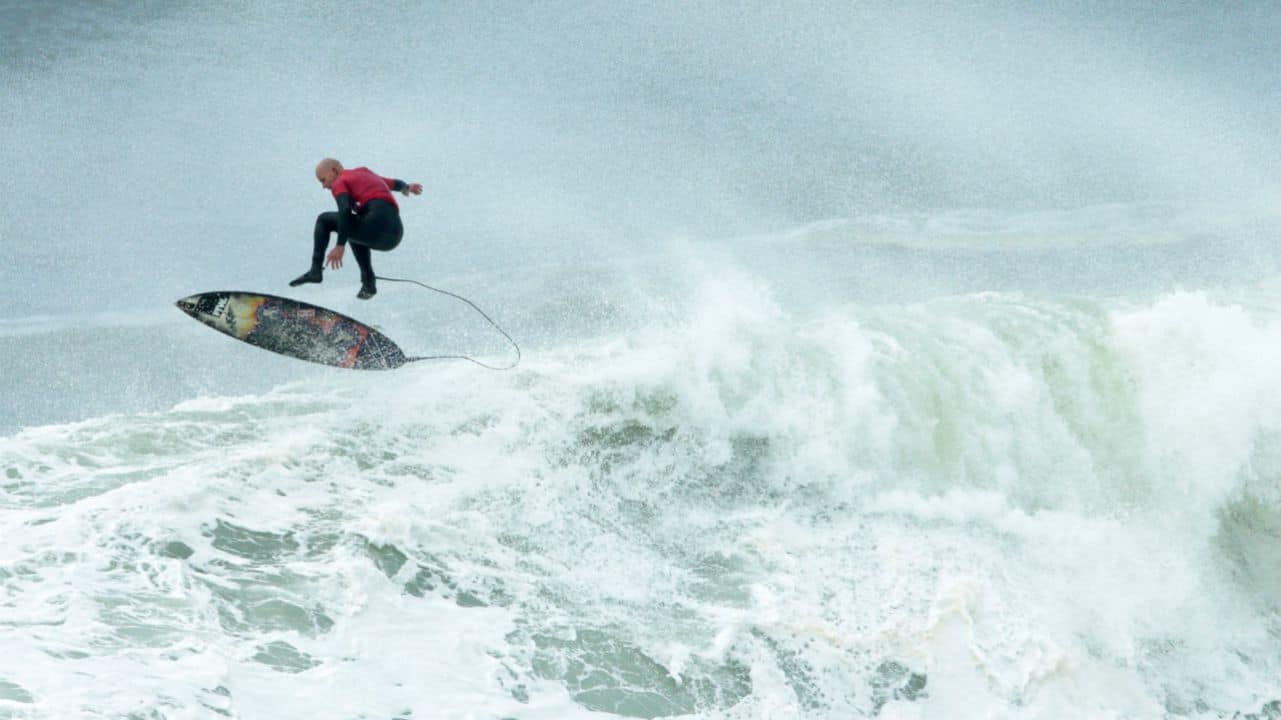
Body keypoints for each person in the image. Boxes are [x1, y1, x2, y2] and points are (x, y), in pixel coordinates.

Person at [290, 158, 423, 299]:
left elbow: (344, 210)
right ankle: (368, 284)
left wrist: (340, 245)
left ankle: (315, 270)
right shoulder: (364, 172)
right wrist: (407, 187)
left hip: (376, 224)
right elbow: (395, 184)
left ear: (334, 171)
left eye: (323, 180)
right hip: (395, 234)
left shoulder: (340, 181)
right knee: (352, 228)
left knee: (324, 219)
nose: (324, 186)